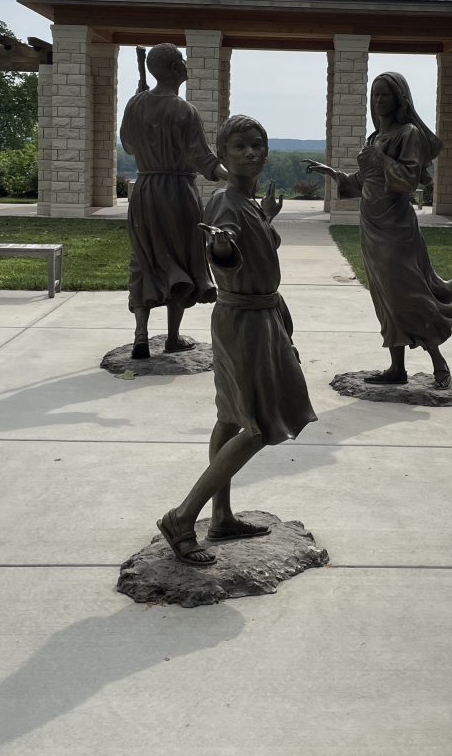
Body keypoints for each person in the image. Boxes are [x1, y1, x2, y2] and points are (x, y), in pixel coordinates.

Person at [156, 114, 317, 565]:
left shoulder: (243, 201)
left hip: (255, 317)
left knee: (230, 419)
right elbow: (222, 254)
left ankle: (221, 515)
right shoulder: (227, 202)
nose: (252, 153)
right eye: (241, 147)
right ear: (224, 155)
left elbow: (254, 248)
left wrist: (263, 220)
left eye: (258, 145)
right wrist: (223, 248)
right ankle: (183, 518)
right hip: (246, 321)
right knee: (259, 426)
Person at [308, 72, 452, 388]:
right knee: (384, 297)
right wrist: (334, 174)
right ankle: (397, 368)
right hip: (371, 227)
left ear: (399, 99)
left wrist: (380, 158)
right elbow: (365, 181)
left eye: (385, 95)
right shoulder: (374, 137)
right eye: (375, 95)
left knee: (407, 294)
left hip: (397, 227)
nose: (378, 101)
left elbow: (407, 180)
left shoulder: (408, 134)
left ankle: (439, 363)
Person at [119, 44, 227, 359]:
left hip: (145, 191)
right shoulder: (184, 110)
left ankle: (141, 333)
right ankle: (173, 337)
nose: (186, 64)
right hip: (179, 194)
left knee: (144, 258)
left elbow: (127, 145)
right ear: (175, 67)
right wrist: (233, 175)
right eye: (182, 60)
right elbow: (203, 158)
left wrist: (138, 108)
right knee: (181, 258)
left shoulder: (135, 104)